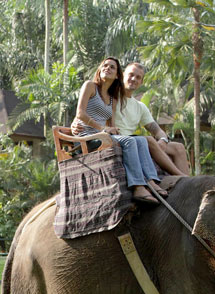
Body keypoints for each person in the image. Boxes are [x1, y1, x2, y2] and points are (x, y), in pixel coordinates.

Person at [71, 57, 166, 204]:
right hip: (87, 137)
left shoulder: (112, 98)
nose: (107, 68)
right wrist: (103, 129)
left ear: (117, 75)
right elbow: (80, 114)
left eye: (112, 67)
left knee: (140, 140)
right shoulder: (90, 86)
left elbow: (112, 124)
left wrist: (112, 130)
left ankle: (151, 181)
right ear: (100, 69)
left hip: (102, 136)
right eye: (105, 65)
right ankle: (137, 186)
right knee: (129, 141)